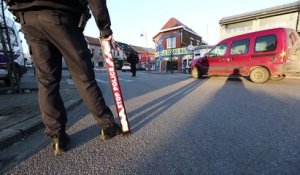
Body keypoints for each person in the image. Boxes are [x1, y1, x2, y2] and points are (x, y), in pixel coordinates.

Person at [7, 0, 121, 156]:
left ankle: (57, 137)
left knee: (46, 82)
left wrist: (17, 10)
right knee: (84, 78)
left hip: (28, 19)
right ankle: (107, 126)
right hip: (63, 16)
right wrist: (105, 28)